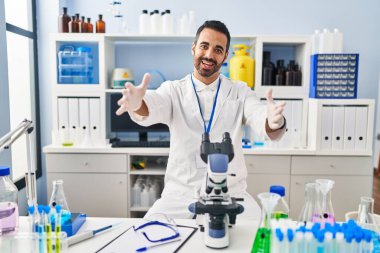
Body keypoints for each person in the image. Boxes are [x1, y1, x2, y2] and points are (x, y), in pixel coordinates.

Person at [116, 20, 286, 220]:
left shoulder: (239, 91)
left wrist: (274, 122)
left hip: (232, 195)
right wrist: (137, 103)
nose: (209, 55)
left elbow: (261, 117)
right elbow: (152, 105)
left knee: (258, 238)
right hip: (180, 196)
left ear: (225, 56)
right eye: (204, 46)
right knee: (147, 235)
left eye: (217, 49)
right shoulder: (174, 90)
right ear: (194, 48)